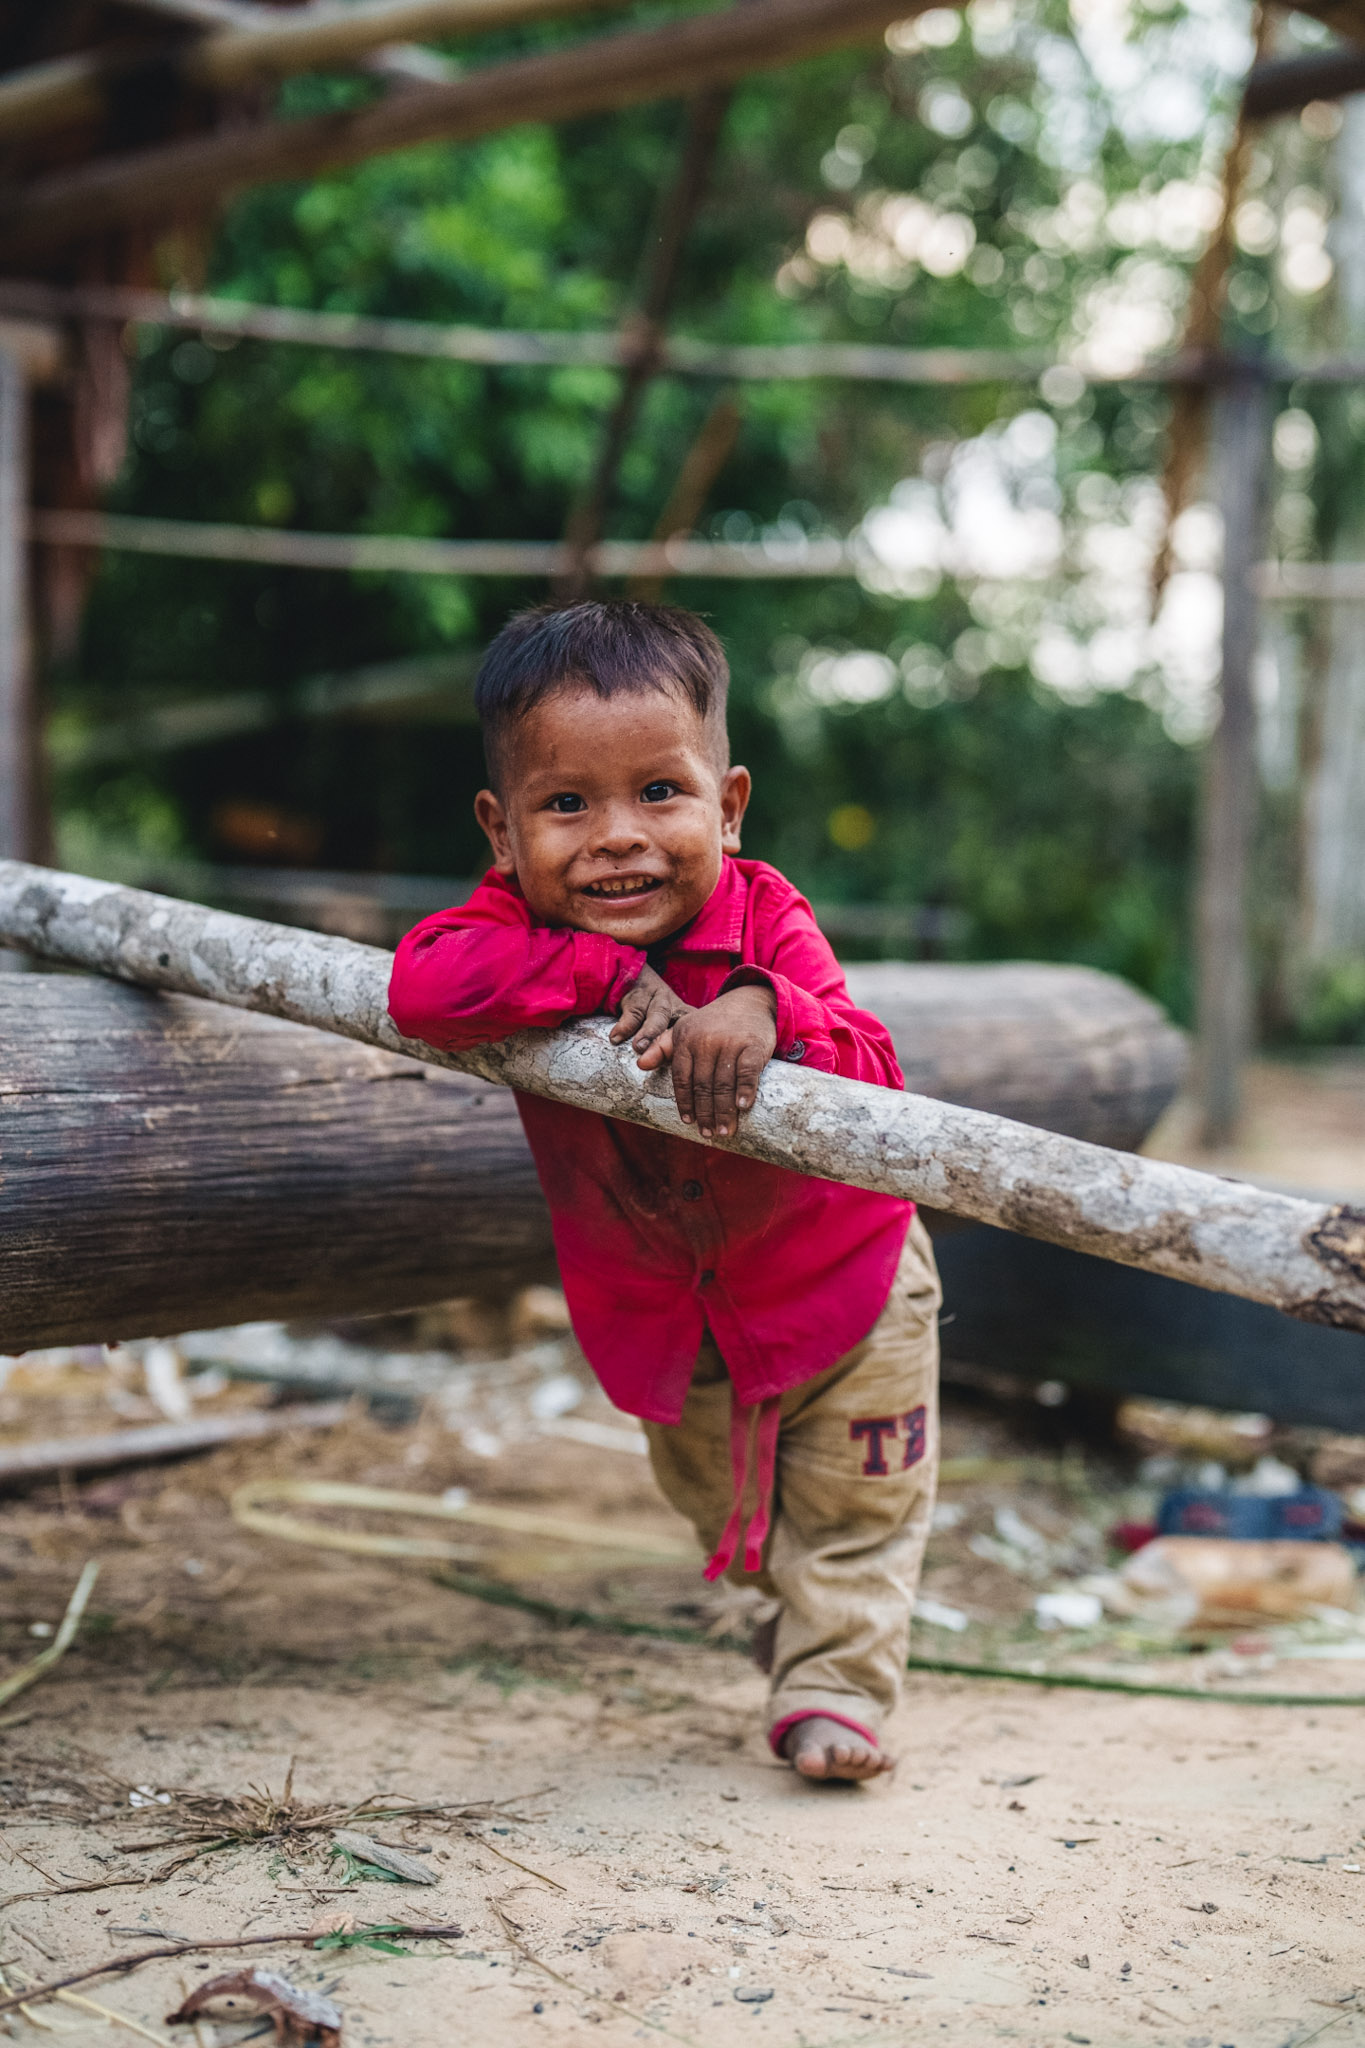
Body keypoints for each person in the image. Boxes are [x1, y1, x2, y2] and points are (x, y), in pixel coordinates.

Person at [387, 599, 941, 1783]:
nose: (617, 838)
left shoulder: (765, 916)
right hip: (665, 1307)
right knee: (718, 1507)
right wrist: (605, 971)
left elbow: (876, 1067)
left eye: (660, 793)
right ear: (502, 829)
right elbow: (425, 987)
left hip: (848, 1275)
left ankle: (834, 1685)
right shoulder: (512, 926)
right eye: (567, 804)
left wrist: (762, 1008)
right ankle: (780, 1604)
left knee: (857, 1505)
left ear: (728, 806)